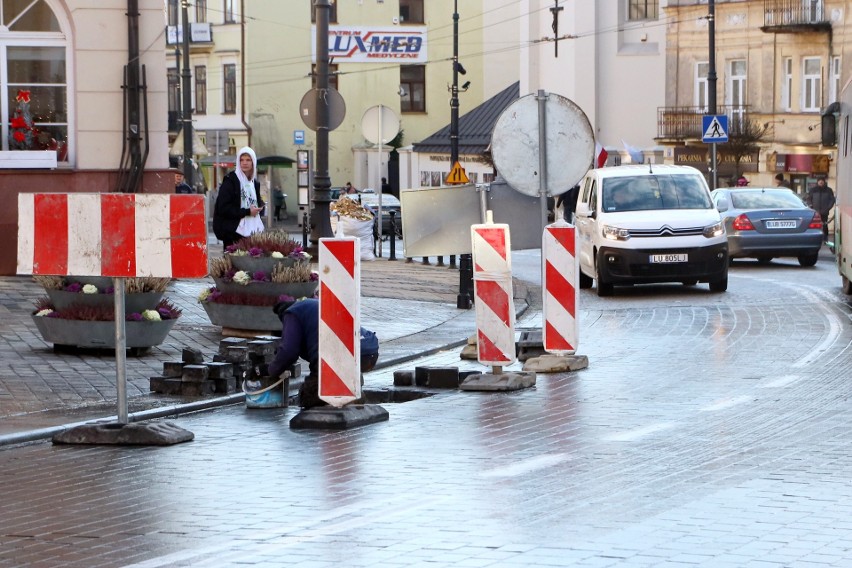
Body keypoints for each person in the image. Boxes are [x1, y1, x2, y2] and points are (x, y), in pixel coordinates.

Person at [264, 298, 379, 409]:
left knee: (308, 397)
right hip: (368, 348)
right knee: (339, 376)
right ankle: (353, 390)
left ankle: (346, 398)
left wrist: (270, 370)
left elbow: (289, 352)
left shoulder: (292, 313)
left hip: (339, 352)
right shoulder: (312, 307)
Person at [212, 146, 265, 249]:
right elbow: (223, 208)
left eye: (248, 160)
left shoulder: (254, 184)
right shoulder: (230, 181)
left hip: (252, 232)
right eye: (241, 160)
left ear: (253, 162)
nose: (244, 163)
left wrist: (260, 208)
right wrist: (247, 212)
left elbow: (256, 204)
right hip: (233, 232)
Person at [806, 176, 836, 242]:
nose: (821, 182)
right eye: (819, 180)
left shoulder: (829, 190)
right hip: (815, 212)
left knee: (825, 226)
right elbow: (808, 199)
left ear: (824, 182)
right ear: (817, 182)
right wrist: (811, 206)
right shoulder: (813, 190)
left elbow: (832, 200)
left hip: (824, 211)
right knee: (814, 226)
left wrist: (828, 207)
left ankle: (825, 239)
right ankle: (814, 239)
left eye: (822, 180)